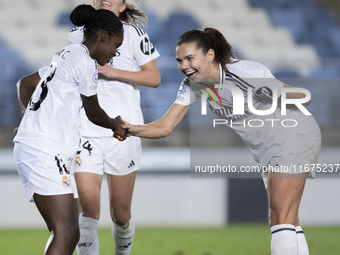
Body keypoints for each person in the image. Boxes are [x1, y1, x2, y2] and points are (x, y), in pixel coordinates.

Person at [121, 28, 321, 255]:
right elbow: (165, 126)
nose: (184, 66)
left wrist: (269, 93)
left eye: (189, 58)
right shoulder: (192, 86)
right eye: (179, 60)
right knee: (289, 218)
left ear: (209, 55)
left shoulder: (243, 72)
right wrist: (132, 129)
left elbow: (306, 97)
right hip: (269, 149)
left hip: (293, 136)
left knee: (280, 216)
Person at [13, 5, 125, 255]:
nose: (114, 54)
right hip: (44, 151)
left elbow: (25, 84)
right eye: (116, 46)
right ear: (104, 37)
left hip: (45, 149)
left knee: (70, 233)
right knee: (65, 232)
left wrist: (31, 116)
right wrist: (116, 126)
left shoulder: (67, 54)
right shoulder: (85, 62)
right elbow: (94, 112)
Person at [68, 1, 160, 255]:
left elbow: (154, 78)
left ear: (123, 4)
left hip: (123, 130)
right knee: (87, 207)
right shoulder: (76, 35)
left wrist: (113, 71)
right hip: (85, 130)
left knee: (120, 215)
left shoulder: (133, 33)